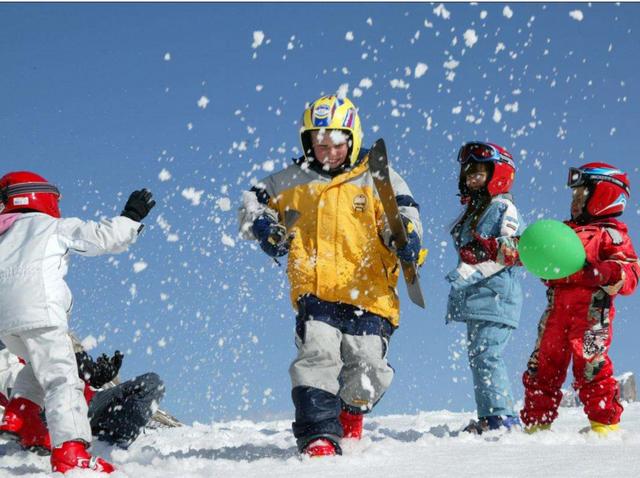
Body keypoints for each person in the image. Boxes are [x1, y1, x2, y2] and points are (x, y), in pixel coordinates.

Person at [239, 94, 423, 456]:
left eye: (337, 144)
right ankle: (318, 435)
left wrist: (403, 235)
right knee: (317, 356)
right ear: (308, 143)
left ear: (352, 139)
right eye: (319, 144)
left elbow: (400, 212)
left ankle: (350, 414)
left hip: (368, 291)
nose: (328, 152)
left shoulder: (377, 175)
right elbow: (253, 199)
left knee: (366, 367)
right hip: (316, 289)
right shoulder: (295, 180)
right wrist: (264, 226)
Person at [0, 171, 155, 473]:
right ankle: (71, 451)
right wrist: (131, 217)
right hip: (40, 313)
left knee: (36, 364)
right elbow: (101, 237)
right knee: (62, 379)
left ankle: (22, 415)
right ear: (41, 196)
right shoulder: (51, 226)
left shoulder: (3, 236)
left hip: (6, 325)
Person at [520, 163, 640, 435]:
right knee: (542, 367)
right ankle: (537, 424)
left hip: (592, 316)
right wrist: (505, 249)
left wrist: (605, 271)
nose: (574, 202)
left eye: (581, 195)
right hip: (556, 312)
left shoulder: (611, 234)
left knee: (591, 365)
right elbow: (535, 249)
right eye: (573, 197)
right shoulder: (565, 232)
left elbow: (630, 271)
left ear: (604, 196)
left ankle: (604, 424)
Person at [445, 142, 523, 434]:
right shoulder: (479, 208)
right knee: (480, 355)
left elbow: (516, 248)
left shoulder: (503, 207)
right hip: (480, 298)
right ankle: (490, 415)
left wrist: (485, 251)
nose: (471, 178)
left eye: (479, 172)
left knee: (487, 355)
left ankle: (501, 418)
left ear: (498, 173)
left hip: (496, 296)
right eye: (468, 173)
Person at [1, 337, 165, 452]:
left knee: (152, 383)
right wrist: (76, 361)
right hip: (54, 414)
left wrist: (95, 374)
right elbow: (15, 388)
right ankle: (98, 446)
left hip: (90, 403)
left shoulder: (30, 336)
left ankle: (110, 447)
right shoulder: (6, 359)